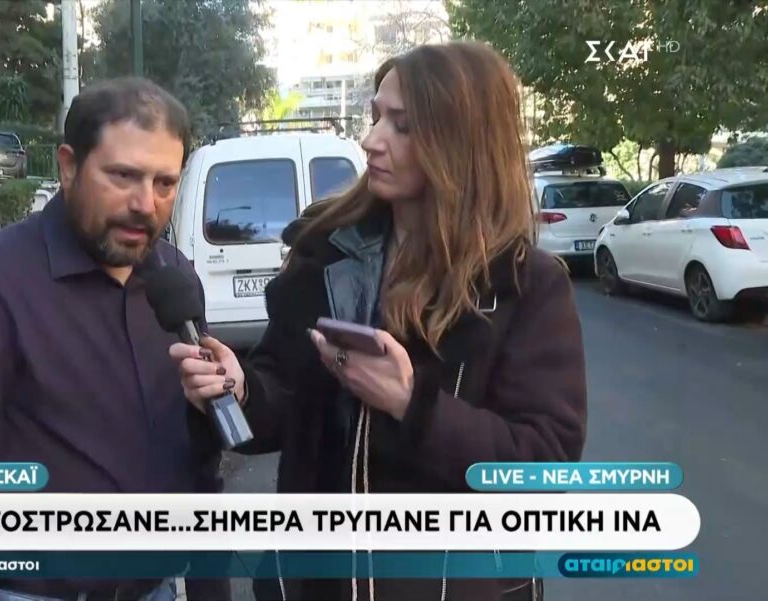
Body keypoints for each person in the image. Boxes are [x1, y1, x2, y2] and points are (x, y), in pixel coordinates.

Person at [171, 42, 588, 601]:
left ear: (460, 142)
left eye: (402, 125)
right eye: (375, 118)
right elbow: (282, 399)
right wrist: (240, 390)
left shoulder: (525, 284)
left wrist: (412, 406)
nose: (371, 140)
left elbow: (542, 468)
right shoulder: (326, 255)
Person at [0, 78, 229, 601]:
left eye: (165, 183)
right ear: (68, 166)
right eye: (123, 176)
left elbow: (198, 458)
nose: (145, 204)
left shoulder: (175, 280)